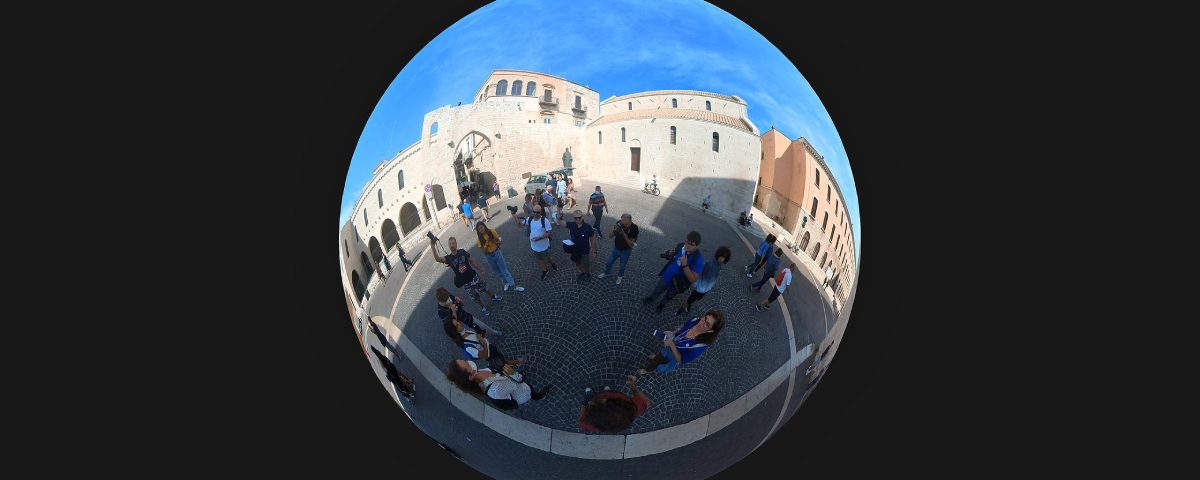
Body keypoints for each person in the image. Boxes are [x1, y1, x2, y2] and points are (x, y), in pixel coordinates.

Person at [430, 236, 502, 316]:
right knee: (475, 297)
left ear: (456, 244)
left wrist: (480, 269)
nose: (452, 245)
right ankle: (483, 307)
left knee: (485, 288)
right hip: (465, 283)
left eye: (453, 243)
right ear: (448, 246)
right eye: (450, 244)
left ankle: (493, 296)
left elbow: (472, 261)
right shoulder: (449, 258)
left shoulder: (462, 252)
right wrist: (432, 246)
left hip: (473, 277)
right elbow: (437, 259)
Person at [638, 310, 725, 374]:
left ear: (711, 330)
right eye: (705, 318)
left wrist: (672, 345)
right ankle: (656, 358)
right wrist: (673, 333)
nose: (702, 322)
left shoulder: (700, 346)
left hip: (672, 356)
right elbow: (683, 326)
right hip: (669, 347)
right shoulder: (695, 320)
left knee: (658, 364)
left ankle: (648, 370)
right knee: (660, 355)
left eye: (707, 324)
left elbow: (681, 360)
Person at [447, 358, 550, 410]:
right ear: (470, 376)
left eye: (465, 360)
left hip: (510, 385)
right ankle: (538, 396)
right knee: (530, 389)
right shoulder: (495, 389)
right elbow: (517, 382)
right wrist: (513, 373)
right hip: (521, 392)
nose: (469, 361)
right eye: (467, 364)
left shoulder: (477, 373)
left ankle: (536, 395)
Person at [642, 231, 704, 313]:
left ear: (697, 246)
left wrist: (685, 265)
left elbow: (693, 279)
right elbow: (674, 254)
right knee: (658, 289)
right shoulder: (681, 246)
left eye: (692, 244)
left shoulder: (699, 260)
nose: (688, 245)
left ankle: (662, 305)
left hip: (677, 283)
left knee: (669, 295)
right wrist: (670, 254)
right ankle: (652, 298)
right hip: (667, 276)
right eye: (687, 242)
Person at [579, 375, 650, 433]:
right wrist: (633, 386)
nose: (590, 402)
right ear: (618, 402)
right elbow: (646, 402)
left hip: (609, 395)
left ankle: (589, 395)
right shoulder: (634, 407)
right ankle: (606, 391)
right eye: (602, 402)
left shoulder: (588, 423)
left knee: (588, 399)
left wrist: (584, 405)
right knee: (607, 392)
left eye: (592, 406)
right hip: (611, 394)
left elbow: (582, 417)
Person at [675, 246, 731, 316]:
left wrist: (710, 287)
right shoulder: (709, 264)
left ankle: (689, 304)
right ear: (718, 254)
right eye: (722, 256)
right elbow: (700, 274)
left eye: (724, 257)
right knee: (691, 298)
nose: (722, 259)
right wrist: (696, 285)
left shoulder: (719, 266)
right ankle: (683, 307)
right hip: (699, 288)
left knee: (695, 299)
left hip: (706, 289)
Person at [475, 221, 524, 292]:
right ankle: (506, 282)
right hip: (489, 257)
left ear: (484, 226)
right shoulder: (479, 240)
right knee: (497, 272)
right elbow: (484, 252)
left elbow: (500, 242)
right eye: (479, 229)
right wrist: (485, 246)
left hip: (496, 252)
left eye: (481, 227)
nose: (481, 230)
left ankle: (513, 286)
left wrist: (494, 241)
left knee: (504, 270)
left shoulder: (492, 231)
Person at [558, 209, 599, 283]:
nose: (578, 219)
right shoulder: (572, 225)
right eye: (575, 218)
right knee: (578, 263)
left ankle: (587, 273)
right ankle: (582, 272)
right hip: (575, 249)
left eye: (579, 217)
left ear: (582, 217)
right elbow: (563, 223)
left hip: (585, 250)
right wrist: (560, 218)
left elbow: (593, 240)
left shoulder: (588, 227)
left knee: (586, 264)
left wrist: (594, 251)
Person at [598, 213, 638, 285]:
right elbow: (610, 236)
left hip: (626, 251)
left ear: (629, 221)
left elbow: (631, 245)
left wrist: (623, 234)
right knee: (609, 262)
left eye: (624, 221)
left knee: (622, 266)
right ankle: (606, 273)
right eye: (621, 220)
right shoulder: (619, 223)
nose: (622, 223)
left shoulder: (634, 228)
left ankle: (620, 277)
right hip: (616, 248)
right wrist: (614, 230)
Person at [528, 205, 559, 280]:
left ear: (540, 212)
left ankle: (552, 263)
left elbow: (549, 233)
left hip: (544, 245)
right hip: (534, 246)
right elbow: (519, 224)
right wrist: (514, 215)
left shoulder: (545, 220)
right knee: (540, 259)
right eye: (534, 212)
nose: (535, 214)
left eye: (537, 212)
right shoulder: (530, 219)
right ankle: (545, 270)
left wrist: (540, 238)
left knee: (548, 258)